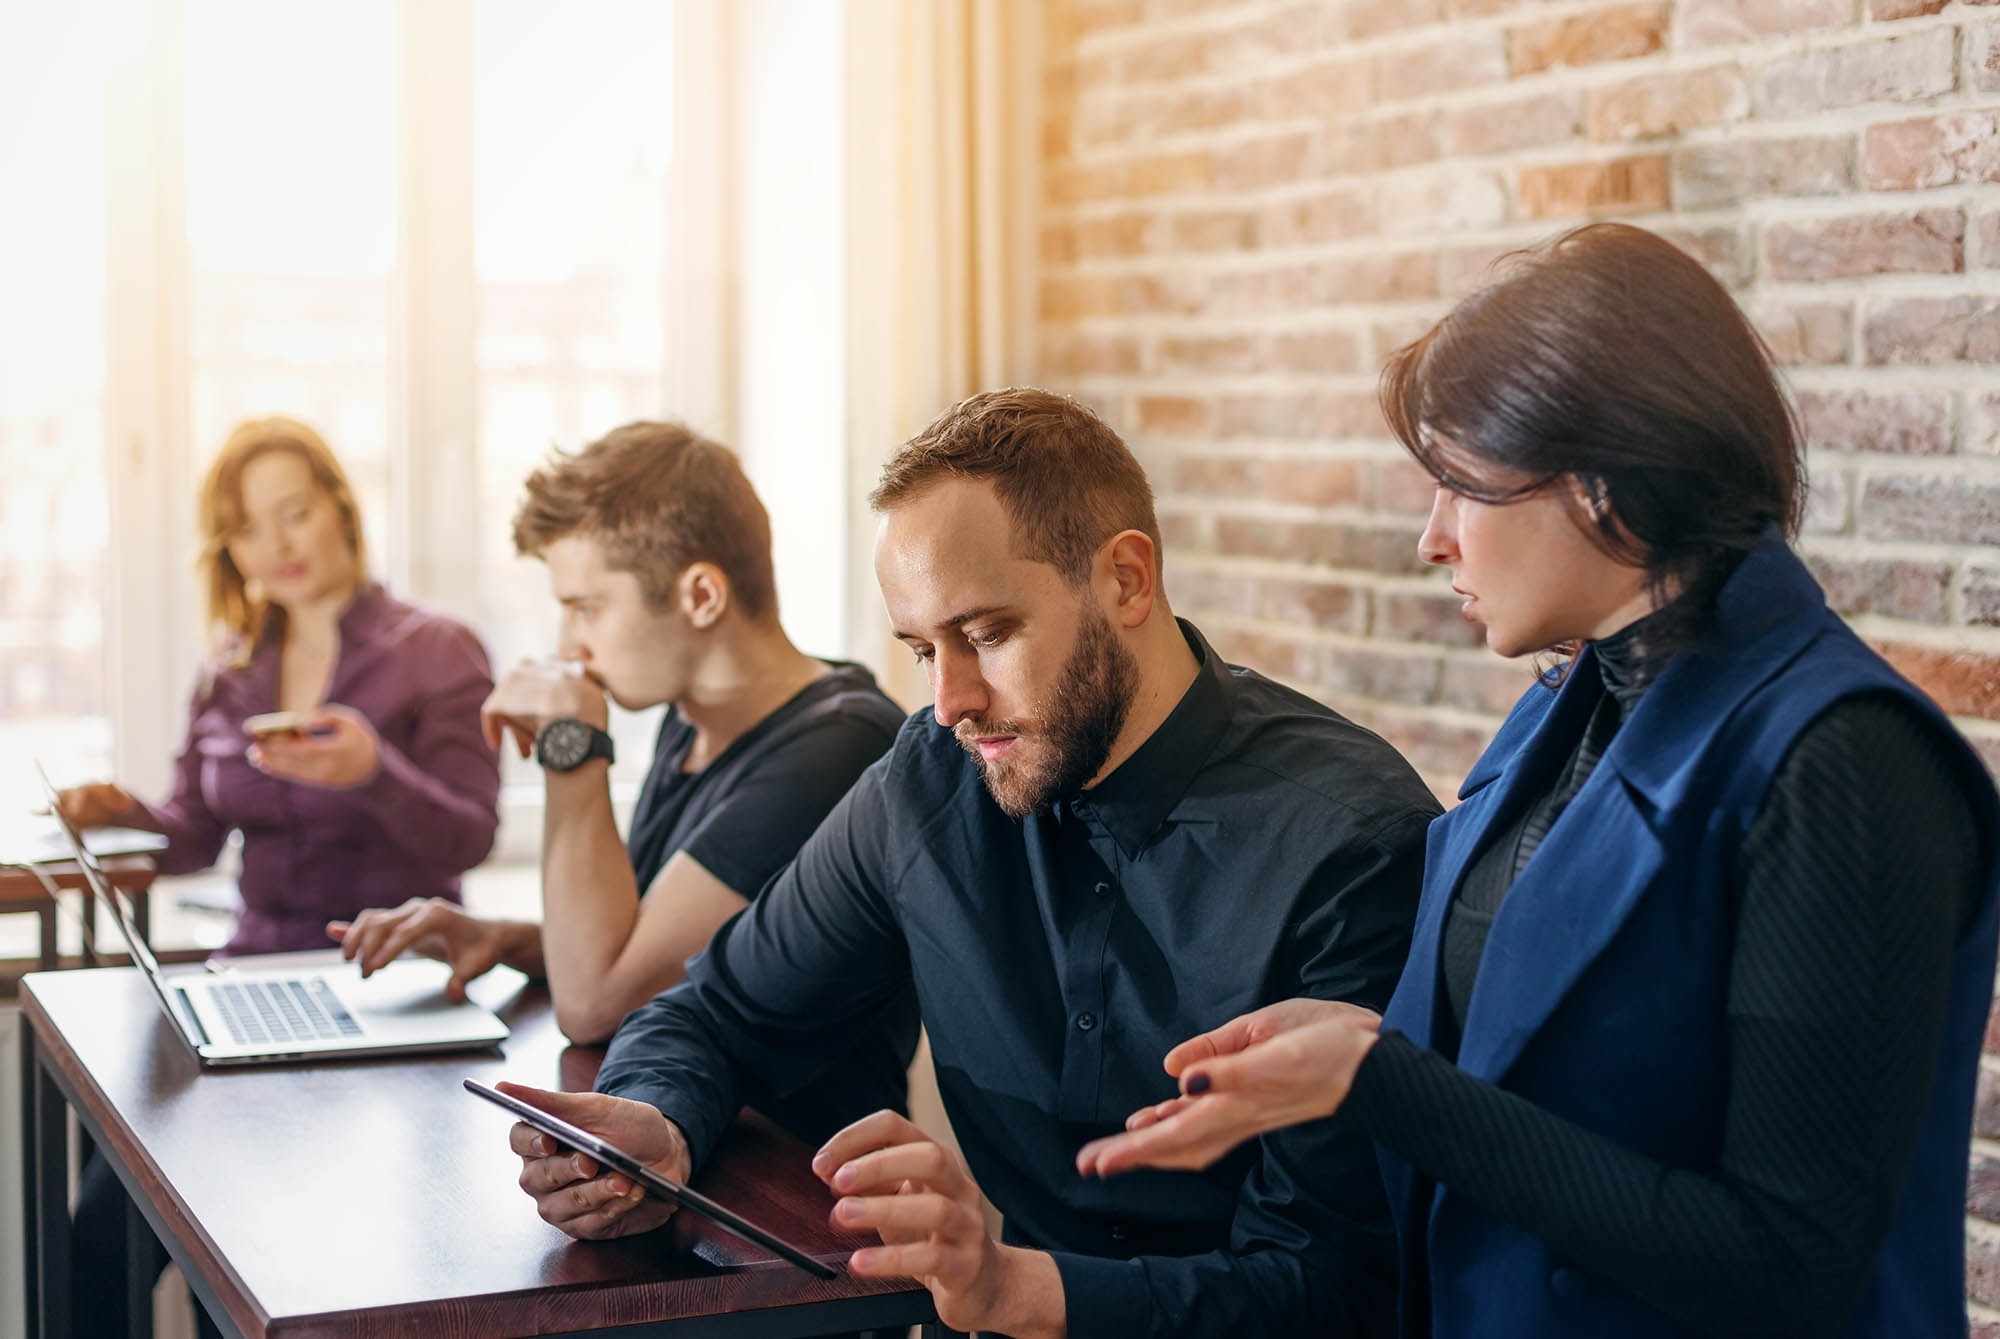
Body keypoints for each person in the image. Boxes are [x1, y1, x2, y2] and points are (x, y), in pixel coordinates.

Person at [1077, 224, 2000, 1339]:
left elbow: (1787, 1265)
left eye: (1459, 485)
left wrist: (1381, 1081)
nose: (1432, 538)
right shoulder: (1562, 707)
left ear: (1603, 478)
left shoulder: (1842, 763)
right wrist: (1368, 1040)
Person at [497, 389, 1442, 1338]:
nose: (950, 700)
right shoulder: (928, 782)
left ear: (1125, 579)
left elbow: (1332, 1288)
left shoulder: (1350, 842)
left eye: (986, 635)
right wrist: (658, 1127)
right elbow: (715, 1013)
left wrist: (1010, 1286)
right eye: (922, 649)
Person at [329, 422, 914, 1140]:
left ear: (702, 595)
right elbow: (650, 951)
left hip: (795, 1177)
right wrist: (506, 940)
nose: (567, 646)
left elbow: (598, 1002)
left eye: (586, 607)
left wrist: (571, 742)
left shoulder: (839, 748)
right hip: (684, 1135)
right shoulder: (690, 721)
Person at [57, 414, 502, 1338]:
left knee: (269, 1263)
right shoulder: (230, 666)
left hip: (392, 993)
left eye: (295, 512)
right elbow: (192, 836)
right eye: (249, 529)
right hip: (250, 986)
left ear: (341, 507)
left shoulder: (437, 648)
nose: (278, 545)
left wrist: (375, 771)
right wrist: (122, 811)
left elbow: (469, 834)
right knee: (104, 1229)